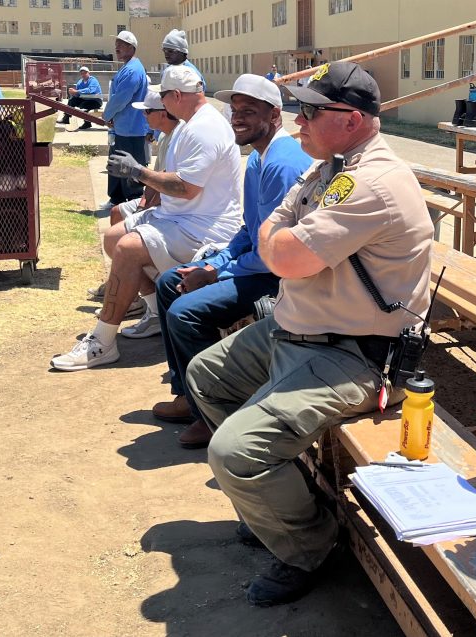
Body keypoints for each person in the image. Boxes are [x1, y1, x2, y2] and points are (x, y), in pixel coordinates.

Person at [186, 62, 433, 606]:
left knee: (234, 453)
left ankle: (310, 547)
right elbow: (272, 229)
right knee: (206, 375)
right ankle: (277, 504)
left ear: (352, 119)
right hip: (298, 329)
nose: (299, 120)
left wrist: (279, 239)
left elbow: (285, 256)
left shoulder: (371, 181)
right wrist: (278, 238)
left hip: (353, 354)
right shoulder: (330, 168)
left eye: (311, 111)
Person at [150, 74, 312, 449]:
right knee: (168, 283)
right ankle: (187, 395)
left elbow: (273, 254)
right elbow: (250, 229)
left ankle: (213, 414)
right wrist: (217, 261)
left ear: (275, 115)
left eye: (249, 111)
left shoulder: (282, 164)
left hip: (278, 276)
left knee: (184, 313)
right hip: (257, 263)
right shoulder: (257, 158)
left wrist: (215, 273)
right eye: (235, 110)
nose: (237, 118)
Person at [51, 65, 242, 371]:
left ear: (175, 95)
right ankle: (156, 313)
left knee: (128, 248)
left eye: (162, 97)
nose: (160, 103)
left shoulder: (204, 128)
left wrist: (137, 172)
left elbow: (186, 188)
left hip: (203, 227)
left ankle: (102, 342)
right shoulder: (190, 124)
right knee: (113, 238)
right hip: (181, 217)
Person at [86, 86, 183, 306]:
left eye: (147, 111)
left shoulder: (177, 138)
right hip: (157, 199)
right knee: (116, 212)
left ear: (162, 113)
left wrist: (143, 209)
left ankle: (138, 297)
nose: (143, 116)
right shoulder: (165, 136)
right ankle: (121, 279)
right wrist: (142, 203)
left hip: (171, 207)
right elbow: (156, 177)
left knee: (122, 236)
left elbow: (167, 184)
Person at [104, 30, 150, 205]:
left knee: (130, 167)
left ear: (132, 48)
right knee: (116, 163)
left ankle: (133, 201)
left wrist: (107, 115)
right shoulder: (128, 67)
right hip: (123, 126)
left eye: (121, 44)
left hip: (131, 128)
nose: (117, 47)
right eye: (116, 44)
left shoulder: (132, 70)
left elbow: (121, 98)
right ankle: (116, 198)